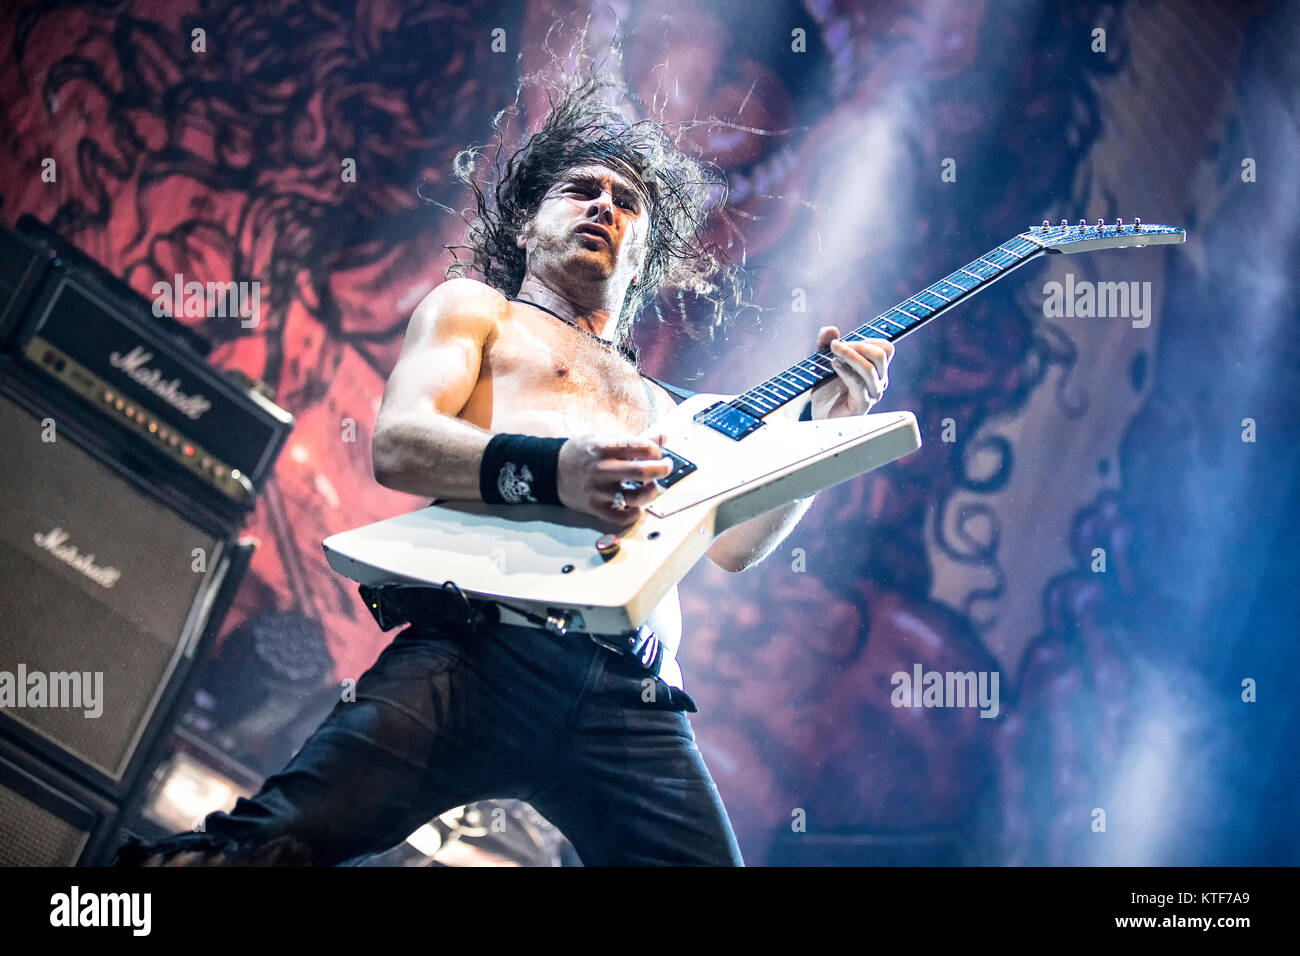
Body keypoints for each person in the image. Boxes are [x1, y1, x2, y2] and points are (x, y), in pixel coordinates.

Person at [113, 74, 893, 867]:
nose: (603, 206)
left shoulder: (681, 410)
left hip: (634, 697)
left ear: (642, 262)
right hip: (481, 649)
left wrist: (827, 432)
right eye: (580, 189)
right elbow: (403, 443)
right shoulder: (477, 312)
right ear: (524, 227)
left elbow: (735, 547)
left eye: (626, 204)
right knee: (269, 849)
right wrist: (557, 470)